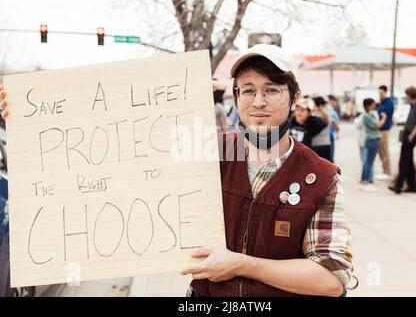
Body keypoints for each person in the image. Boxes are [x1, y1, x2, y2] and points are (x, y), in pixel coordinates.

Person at [0, 44, 354, 297]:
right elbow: (112, 163)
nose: (258, 102)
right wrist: (29, 122)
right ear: (235, 97)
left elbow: (330, 279)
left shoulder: (318, 175)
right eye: (248, 90)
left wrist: (241, 264)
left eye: (271, 90)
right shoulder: (210, 149)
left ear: (293, 97)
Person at [389, 86, 416, 194]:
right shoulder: (412, 107)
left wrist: (411, 135)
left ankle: (398, 186)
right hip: (407, 134)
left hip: (410, 136)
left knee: (404, 161)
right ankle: (412, 186)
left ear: (410, 95)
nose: (405, 97)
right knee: (409, 162)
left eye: (406, 95)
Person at [360, 98, 386, 191]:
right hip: (372, 140)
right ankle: (365, 179)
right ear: (368, 106)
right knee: (369, 161)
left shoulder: (370, 115)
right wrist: (384, 118)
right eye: (373, 104)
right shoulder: (366, 116)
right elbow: (378, 126)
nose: (375, 106)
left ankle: (364, 179)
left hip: (372, 140)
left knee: (368, 160)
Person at [374, 85, 395, 181]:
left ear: (386, 92)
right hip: (380, 130)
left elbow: (380, 112)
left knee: (384, 150)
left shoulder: (389, 102)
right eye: (379, 93)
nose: (380, 95)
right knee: (381, 151)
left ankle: (387, 171)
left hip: (385, 130)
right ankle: (384, 171)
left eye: (382, 93)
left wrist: (378, 111)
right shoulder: (382, 102)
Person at [353, 112, 373, 183]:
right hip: (370, 140)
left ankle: (366, 178)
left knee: (365, 160)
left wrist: (355, 119)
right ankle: (370, 177)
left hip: (363, 141)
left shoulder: (363, 116)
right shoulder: (373, 114)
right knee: (369, 160)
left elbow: (357, 125)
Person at [311, 96, 332, 162]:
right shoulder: (328, 114)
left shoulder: (315, 116)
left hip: (316, 144)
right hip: (326, 143)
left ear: (317, 105)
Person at [326, 95, 340, 163]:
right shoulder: (329, 110)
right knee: (330, 158)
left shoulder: (327, 109)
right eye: (335, 101)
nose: (335, 103)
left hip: (329, 135)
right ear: (331, 101)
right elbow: (336, 126)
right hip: (329, 135)